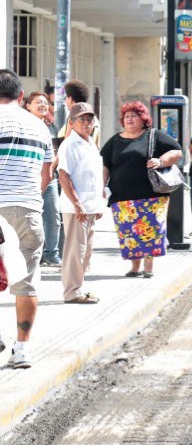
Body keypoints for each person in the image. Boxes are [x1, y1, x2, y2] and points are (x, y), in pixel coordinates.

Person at [0, 69, 54, 369]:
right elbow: (47, 176)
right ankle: (21, 350)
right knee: (27, 283)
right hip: (28, 211)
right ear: (21, 97)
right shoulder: (40, 127)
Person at [100, 101, 182, 278]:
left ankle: (148, 266)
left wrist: (160, 161)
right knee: (128, 232)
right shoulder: (115, 140)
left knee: (150, 230)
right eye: (126, 116)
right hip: (122, 196)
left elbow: (177, 151)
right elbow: (105, 164)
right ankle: (135, 266)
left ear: (142, 118)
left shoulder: (154, 135)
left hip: (151, 195)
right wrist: (102, 185)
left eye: (133, 115)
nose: (129, 119)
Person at [57, 103, 105, 304]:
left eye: (90, 119)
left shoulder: (90, 142)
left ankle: (79, 288)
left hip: (90, 207)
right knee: (75, 252)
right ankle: (72, 292)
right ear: (72, 122)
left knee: (86, 252)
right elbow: (63, 176)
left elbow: (93, 177)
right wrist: (77, 204)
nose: (87, 123)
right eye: (82, 119)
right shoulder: (70, 144)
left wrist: (98, 204)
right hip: (77, 209)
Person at [22, 92, 62, 267]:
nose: (43, 105)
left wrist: (50, 170)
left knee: (53, 217)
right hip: (28, 177)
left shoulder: (52, 126)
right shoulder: (22, 125)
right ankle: (27, 255)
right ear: (28, 106)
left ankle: (51, 254)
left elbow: (58, 151)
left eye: (45, 102)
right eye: (38, 102)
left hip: (50, 177)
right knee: (27, 218)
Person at [58, 79, 101, 147]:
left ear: (71, 99)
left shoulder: (75, 118)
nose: (65, 101)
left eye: (66, 97)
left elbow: (66, 144)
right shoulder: (94, 119)